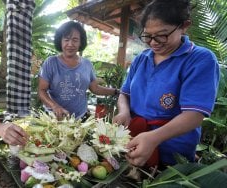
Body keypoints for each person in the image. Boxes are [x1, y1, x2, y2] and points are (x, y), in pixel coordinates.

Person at [112, 0, 220, 168]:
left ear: (184, 26)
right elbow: (125, 93)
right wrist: (124, 112)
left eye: (162, 35)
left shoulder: (200, 59)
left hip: (172, 154)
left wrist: (154, 138)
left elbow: (194, 115)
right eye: (147, 36)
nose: (153, 42)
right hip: (132, 140)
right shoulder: (141, 59)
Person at [38, 21, 118, 121]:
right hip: (54, 119)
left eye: (75, 40)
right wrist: (55, 106)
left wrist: (116, 92)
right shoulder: (51, 63)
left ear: (81, 42)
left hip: (80, 119)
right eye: (66, 39)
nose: (70, 44)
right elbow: (41, 90)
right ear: (60, 41)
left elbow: (95, 88)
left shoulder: (87, 64)